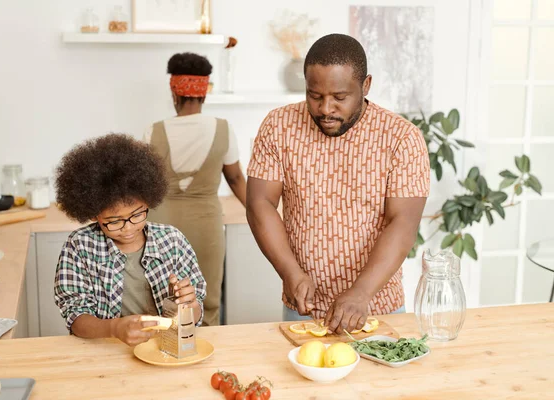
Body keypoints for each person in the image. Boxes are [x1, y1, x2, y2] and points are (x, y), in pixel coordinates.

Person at [246, 34, 430, 334]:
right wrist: (290, 272)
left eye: (339, 97)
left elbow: (403, 222)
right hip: (302, 310)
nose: (325, 108)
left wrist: (361, 292)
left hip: (377, 308)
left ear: (366, 86)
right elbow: (259, 203)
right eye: (314, 95)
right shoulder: (278, 126)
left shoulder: (402, 138)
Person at [54, 133, 206, 347]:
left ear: (148, 200)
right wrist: (114, 328)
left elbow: (195, 313)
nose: (128, 228)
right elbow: (76, 317)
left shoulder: (173, 241)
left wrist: (190, 306)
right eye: (113, 221)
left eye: (137, 215)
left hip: (166, 349)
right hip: (108, 351)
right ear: (92, 214)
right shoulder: (79, 246)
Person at [144, 52, 247, 326]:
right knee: (206, 299)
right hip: (206, 226)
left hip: (159, 228)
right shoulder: (223, 129)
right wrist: (263, 213)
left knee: (160, 299)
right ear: (204, 93)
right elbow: (236, 179)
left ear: (174, 92)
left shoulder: (153, 131)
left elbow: (140, 186)